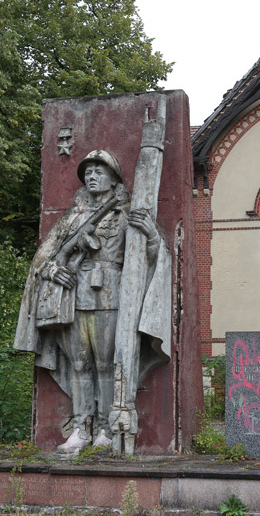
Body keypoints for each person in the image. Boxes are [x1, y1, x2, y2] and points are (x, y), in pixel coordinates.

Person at [14, 150, 170, 454]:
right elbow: (44, 258)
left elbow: (150, 259)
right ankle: (81, 428)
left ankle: (105, 428)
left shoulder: (126, 215)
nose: (92, 176)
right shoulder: (73, 217)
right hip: (74, 298)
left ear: (113, 179)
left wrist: (151, 235)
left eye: (100, 171)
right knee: (79, 365)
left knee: (106, 364)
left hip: (111, 298)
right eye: (88, 172)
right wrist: (55, 271)